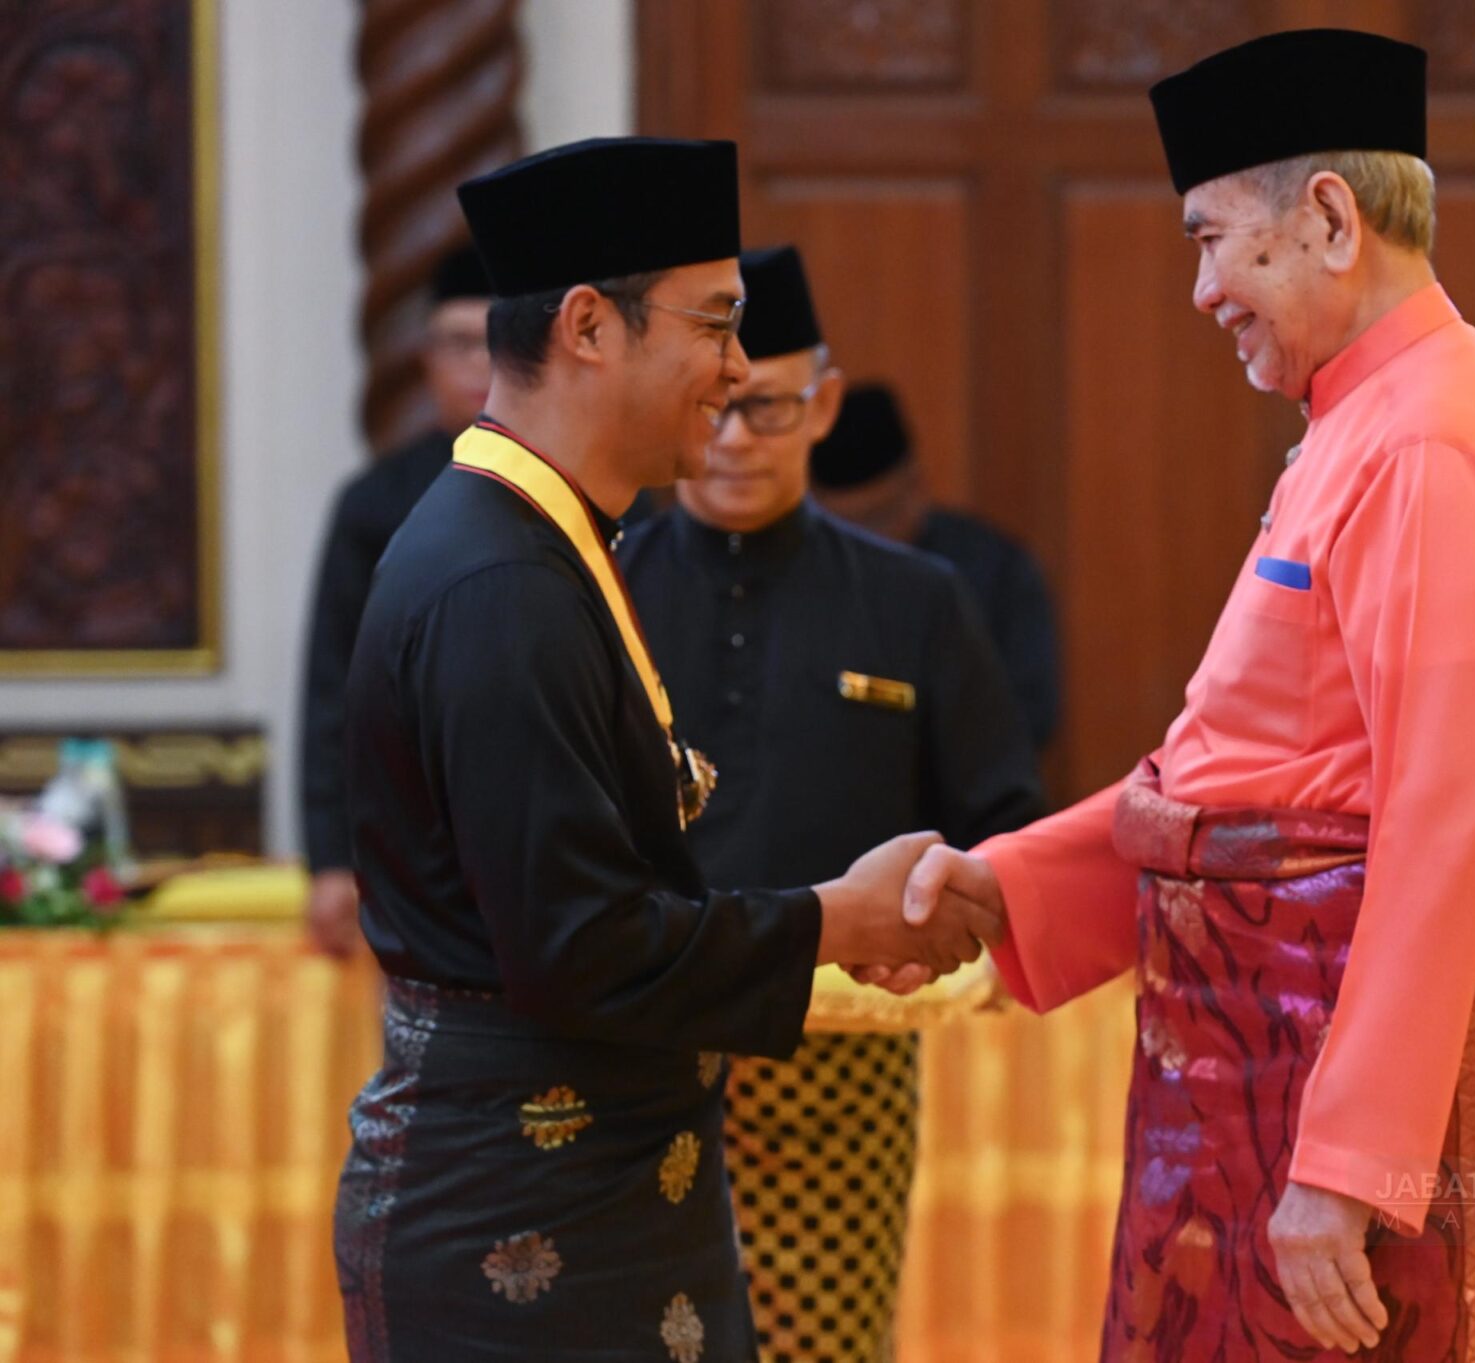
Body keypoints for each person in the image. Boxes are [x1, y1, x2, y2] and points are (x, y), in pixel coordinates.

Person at [896, 30, 1475, 1362]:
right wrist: (1007, 887)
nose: (1204, 290)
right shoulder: (1363, 417)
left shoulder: (1427, 438)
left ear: (1328, 218)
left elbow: (1440, 814)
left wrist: (1351, 1161)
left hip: (1330, 1065)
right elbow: (1251, 768)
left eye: (1212, 240)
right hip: (1257, 1046)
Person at [331, 138, 1002, 1363]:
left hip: (594, 1184)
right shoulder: (500, 583)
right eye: (715, 324)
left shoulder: (543, 540)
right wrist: (835, 919)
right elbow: (578, 946)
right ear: (590, 327)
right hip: (523, 1214)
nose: (736, 370)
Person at [619, 243, 1044, 1362]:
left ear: (824, 404)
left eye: (766, 408)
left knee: (823, 1345)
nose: (733, 440)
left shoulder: (916, 600)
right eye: (712, 407)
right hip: (638, 1045)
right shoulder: (600, 593)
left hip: (840, 1064)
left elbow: (999, 814)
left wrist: (954, 918)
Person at [300, 243, 491, 955]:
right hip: (411, 844)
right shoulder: (374, 504)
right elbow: (333, 690)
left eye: (498, 342)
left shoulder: (600, 492)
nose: (480, 366)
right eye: (459, 343)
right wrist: (330, 857)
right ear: (427, 358)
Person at [810, 384, 1062, 751]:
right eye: (846, 529)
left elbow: (1031, 713)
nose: (867, 541)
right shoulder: (808, 571)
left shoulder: (994, 570)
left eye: (880, 517)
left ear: (916, 487)